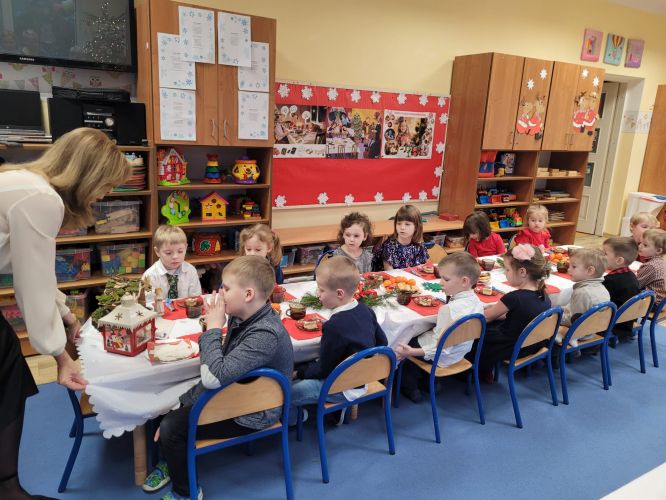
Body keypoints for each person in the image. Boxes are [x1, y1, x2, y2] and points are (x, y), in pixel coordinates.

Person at [0, 127, 130, 500]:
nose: (106, 195)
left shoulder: (26, 182)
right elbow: (31, 286)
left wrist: (67, 315)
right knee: (9, 374)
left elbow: (36, 273)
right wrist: (59, 354)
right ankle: (8, 489)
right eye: (106, 185)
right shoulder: (41, 199)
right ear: (88, 175)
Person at [153, 256, 294, 500]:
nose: (220, 293)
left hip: (254, 411)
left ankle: (186, 493)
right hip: (236, 392)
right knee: (167, 407)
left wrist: (213, 328)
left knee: (171, 427)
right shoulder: (243, 316)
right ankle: (173, 455)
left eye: (226, 288)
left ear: (248, 294)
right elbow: (224, 367)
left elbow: (213, 378)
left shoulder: (265, 333)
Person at [290, 256, 387, 423]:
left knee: (287, 391)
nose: (317, 294)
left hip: (340, 386)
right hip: (362, 379)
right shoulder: (366, 310)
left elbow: (323, 370)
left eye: (321, 290)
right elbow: (382, 343)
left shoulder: (334, 327)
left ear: (339, 294)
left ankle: (295, 419)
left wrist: (298, 372)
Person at [394, 252, 484, 403]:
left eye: (446, 279)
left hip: (443, 357)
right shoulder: (477, 301)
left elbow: (442, 348)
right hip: (460, 352)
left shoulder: (449, 310)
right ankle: (431, 383)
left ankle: (410, 387)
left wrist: (412, 352)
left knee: (408, 338)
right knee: (427, 331)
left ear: (464, 281)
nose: (440, 283)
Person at [466, 244, 552, 381]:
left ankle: (474, 372)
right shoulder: (543, 294)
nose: (505, 273)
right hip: (533, 344)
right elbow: (521, 315)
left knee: (475, 333)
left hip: (511, 347)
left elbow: (484, 317)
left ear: (522, 272)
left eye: (507, 269)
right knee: (494, 324)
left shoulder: (514, 297)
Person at [555, 248, 610, 347]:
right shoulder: (602, 288)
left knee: (546, 326)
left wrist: (556, 316)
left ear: (590, 270)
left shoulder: (582, 292)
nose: (569, 269)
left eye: (574, 267)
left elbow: (572, 319)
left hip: (580, 333)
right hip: (594, 329)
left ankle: (565, 349)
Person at [142, 225, 202, 300]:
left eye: (180, 251)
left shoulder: (191, 271)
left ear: (186, 248)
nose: (175, 257)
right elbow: (148, 302)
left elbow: (195, 298)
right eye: (168, 253)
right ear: (157, 251)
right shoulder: (148, 276)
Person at [602, 237, 640, 340]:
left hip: (614, 325)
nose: (601, 256)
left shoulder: (611, 281)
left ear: (619, 260)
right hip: (628, 322)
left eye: (605, 253)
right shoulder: (632, 275)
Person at [373, 204, 429, 270]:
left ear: (416, 226)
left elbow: (425, 268)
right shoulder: (389, 246)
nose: (402, 227)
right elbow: (389, 273)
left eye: (407, 224)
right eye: (399, 223)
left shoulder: (420, 246)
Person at [637, 229, 666, 307]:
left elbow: (636, 285)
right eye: (640, 243)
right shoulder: (660, 261)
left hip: (651, 303)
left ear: (658, 250)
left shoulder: (651, 266)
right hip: (660, 302)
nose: (640, 246)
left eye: (645, 245)